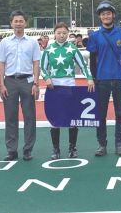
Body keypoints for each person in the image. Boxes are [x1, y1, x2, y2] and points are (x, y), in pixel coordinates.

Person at [86, 0, 121, 157]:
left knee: (120, 113)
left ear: (113, 15)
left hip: (118, 79)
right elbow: (92, 58)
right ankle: (102, 145)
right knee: (100, 114)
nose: (106, 16)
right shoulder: (95, 36)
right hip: (101, 80)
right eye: (103, 14)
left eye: (108, 13)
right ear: (100, 17)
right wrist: (94, 79)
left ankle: (119, 144)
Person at [40, 22, 94, 160]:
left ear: (68, 33)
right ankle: (56, 149)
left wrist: (89, 78)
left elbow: (83, 65)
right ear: (54, 34)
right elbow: (42, 67)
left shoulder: (73, 49)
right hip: (54, 86)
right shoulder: (48, 49)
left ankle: (72, 148)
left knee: (72, 118)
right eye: (59, 33)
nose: (61, 35)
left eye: (64, 33)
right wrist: (46, 78)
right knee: (54, 118)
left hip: (69, 84)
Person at [0, 10, 41, 161]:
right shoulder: (4, 42)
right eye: (15, 21)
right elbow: (1, 63)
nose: (18, 24)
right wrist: (1, 84)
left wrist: (36, 83)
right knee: (10, 117)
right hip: (10, 81)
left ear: (25, 23)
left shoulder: (33, 42)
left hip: (28, 81)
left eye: (21, 21)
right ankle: (11, 150)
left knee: (29, 116)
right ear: (11, 23)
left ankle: (28, 149)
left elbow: (36, 63)